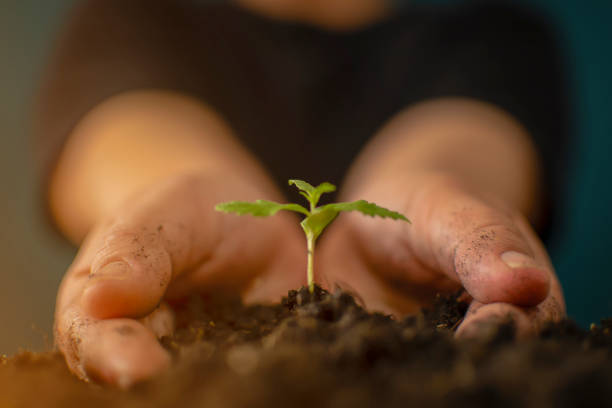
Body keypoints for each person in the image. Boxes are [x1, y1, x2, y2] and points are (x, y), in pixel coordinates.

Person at [35, 0, 568, 387]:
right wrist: (167, 195)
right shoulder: (130, 16)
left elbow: (469, 134)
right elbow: (126, 124)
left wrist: (439, 189)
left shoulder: (493, 32)